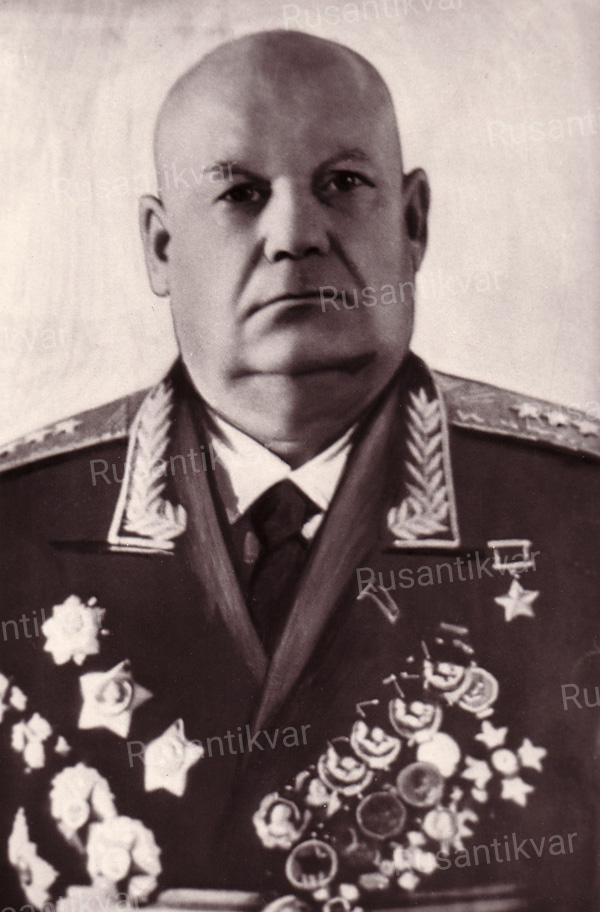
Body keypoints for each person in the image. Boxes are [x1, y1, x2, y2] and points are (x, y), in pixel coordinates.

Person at [1, 29, 599, 912]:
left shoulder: (576, 511)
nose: (295, 236)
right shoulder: (20, 523)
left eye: (343, 184)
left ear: (413, 222)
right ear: (161, 247)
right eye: (240, 193)